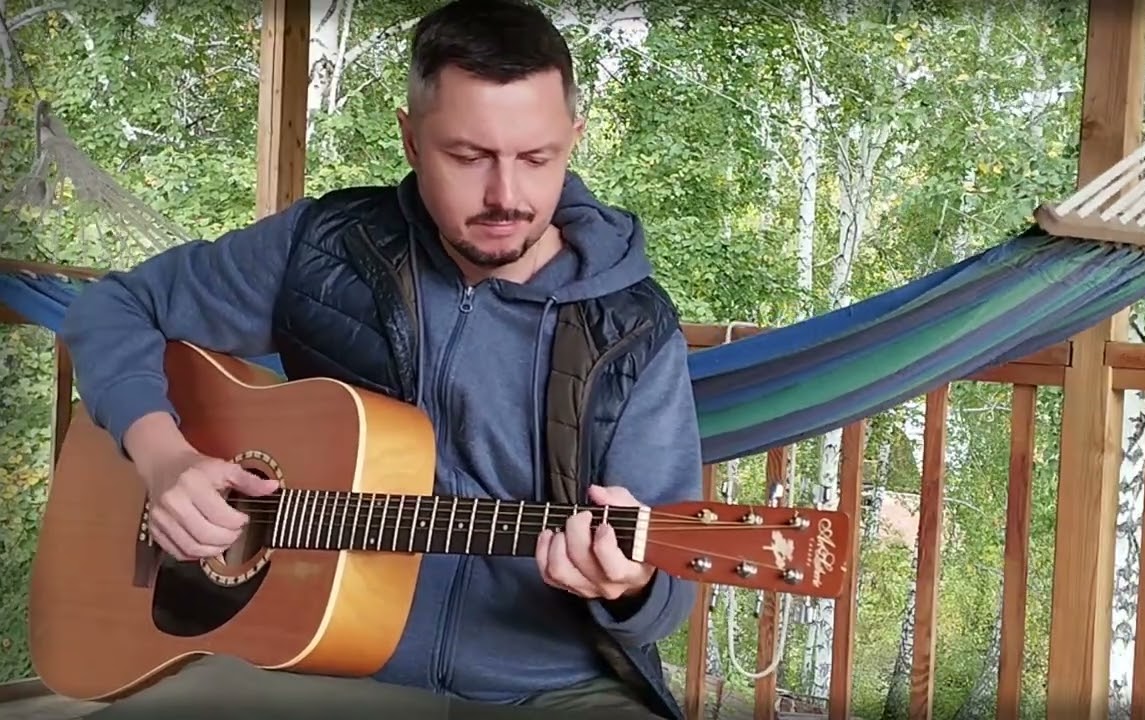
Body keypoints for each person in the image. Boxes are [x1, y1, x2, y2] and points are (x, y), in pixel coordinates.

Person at [58, 1, 703, 718]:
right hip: (321, 664)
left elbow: (668, 589)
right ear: (410, 139)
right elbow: (110, 308)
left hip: (547, 687)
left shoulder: (633, 330)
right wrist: (163, 458)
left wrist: (630, 585)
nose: (506, 196)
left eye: (536, 158)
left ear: (574, 140)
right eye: (468, 157)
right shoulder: (325, 247)